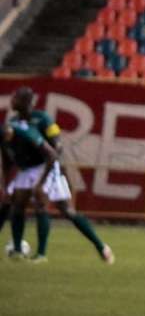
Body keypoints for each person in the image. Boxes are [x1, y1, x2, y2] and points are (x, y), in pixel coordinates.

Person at [6, 86, 114, 263]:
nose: (12, 100)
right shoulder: (14, 122)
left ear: (26, 101)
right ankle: (17, 249)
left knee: (61, 209)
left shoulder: (42, 119)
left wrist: (44, 176)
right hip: (28, 168)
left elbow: (57, 145)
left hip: (47, 165)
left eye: (16, 98)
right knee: (17, 204)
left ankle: (96, 246)